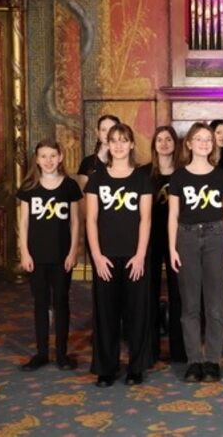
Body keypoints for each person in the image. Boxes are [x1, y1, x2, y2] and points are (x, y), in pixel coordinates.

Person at [85, 123, 153, 387]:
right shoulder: (97, 178)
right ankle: (106, 367)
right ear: (107, 145)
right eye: (114, 140)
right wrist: (97, 257)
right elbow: (91, 220)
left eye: (124, 140)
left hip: (134, 256)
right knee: (105, 314)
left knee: (137, 313)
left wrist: (140, 256)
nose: (119, 145)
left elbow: (145, 220)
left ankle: (136, 367)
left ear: (132, 145)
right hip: (106, 257)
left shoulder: (141, 179)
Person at [168, 122, 223, 383]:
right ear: (188, 144)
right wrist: (172, 247)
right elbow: (173, 216)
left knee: (216, 304)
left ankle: (213, 361)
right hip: (186, 237)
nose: (204, 143)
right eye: (199, 139)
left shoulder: (220, 176)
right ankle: (194, 360)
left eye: (208, 139)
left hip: (216, 236)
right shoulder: (179, 176)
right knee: (190, 304)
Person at [17, 139, 83, 372]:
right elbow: (23, 223)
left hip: (61, 255)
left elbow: (75, 222)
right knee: (40, 303)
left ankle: (62, 354)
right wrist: (24, 252)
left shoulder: (69, 186)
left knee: (61, 302)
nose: (48, 161)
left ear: (61, 157)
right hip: (36, 255)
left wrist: (73, 250)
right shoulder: (29, 187)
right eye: (43, 156)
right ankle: (41, 353)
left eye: (52, 156)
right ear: (37, 159)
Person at [141, 126, 186, 364]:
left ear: (175, 144)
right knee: (149, 292)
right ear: (154, 144)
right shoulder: (144, 174)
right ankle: (150, 350)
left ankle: (179, 350)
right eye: (160, 139)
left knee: (179, 293)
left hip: (178, 239)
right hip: (150, 239)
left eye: (169, 139)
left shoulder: (183, 174)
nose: (165, 143)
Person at [77, 114, 120, 189]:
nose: (107, 133)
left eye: (111, 129)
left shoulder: (123, 161)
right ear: (97, 132)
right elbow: (81, 193)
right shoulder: (87, 162)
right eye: (103, 130)